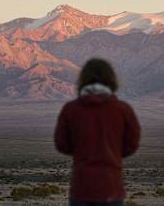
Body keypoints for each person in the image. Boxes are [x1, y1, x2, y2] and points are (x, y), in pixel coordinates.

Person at [54, 58, 141, 206]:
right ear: (111, 79)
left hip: (82, 188)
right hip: (111, 187)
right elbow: (131, 145)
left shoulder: (71, 109)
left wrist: (82, 151)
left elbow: (62, 144)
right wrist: (113, 152)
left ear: (83, 79)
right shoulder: (123, 110)